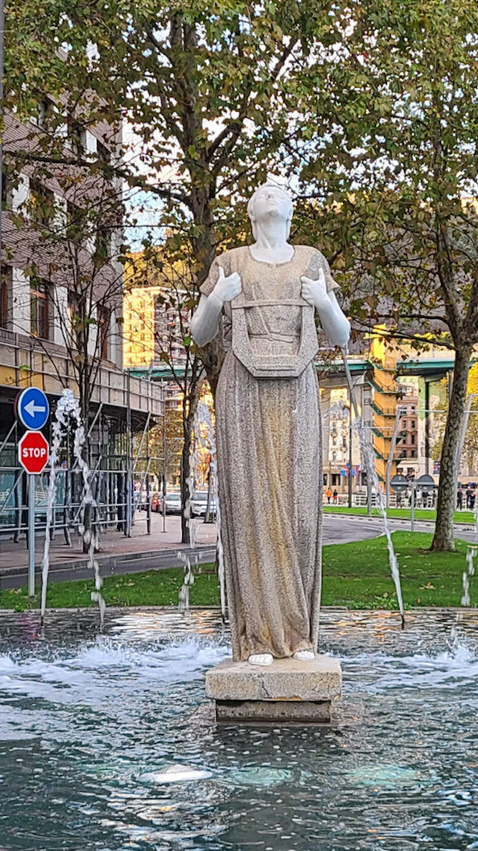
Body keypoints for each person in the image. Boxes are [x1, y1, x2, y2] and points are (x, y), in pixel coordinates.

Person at [189, 184, 350, 666]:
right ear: (251, 211)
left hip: (298, 391)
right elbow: (200, 333)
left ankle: (299, 634)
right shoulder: (231, 262)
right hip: (243, 393)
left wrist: (323, 301)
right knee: (253, 504)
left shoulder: (312, 260)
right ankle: (257, 635)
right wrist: (216, 298)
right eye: (262, 191)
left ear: (291, 210)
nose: (270, 193)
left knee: (300, 506)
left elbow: (340, 335)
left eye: (280, 191)